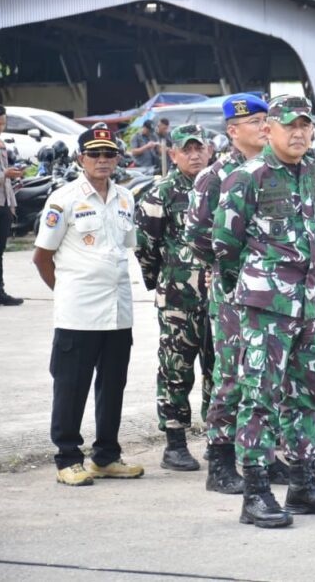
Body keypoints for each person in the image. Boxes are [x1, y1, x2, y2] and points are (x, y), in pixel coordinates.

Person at [214, 95, 315, 528]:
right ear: (268, 129)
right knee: (259, 398)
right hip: (265, 310)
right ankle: (255, 492)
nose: (298, 133)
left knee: (309, 395)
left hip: (311, 304)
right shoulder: (247, 176)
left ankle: (302, 482)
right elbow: (225, 247)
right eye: (288, 125)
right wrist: (258, 289)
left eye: (304, 125)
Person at [33, 126, 145, 486]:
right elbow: (41, 257)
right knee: (71, 385)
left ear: (117, 158)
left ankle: (106, 456)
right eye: (94, 154)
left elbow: (125, 246)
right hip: (78, 312)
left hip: (117, 310)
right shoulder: (63, 199)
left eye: (109, 154)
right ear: (81, 158)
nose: (102, 160)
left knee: (113, 384)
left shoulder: (126, 197)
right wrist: (65, 290)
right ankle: (67, 457)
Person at [185, 93, 268, 495]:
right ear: (233, 131)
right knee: (232, 374)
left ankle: (261, 457)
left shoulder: (273, 170)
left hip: (271, 294)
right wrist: (226, 273)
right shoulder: (215, 176)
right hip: (233, 292)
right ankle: (219, 462)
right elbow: (199, 237)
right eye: (255, 122)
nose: (264, 127)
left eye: (266, 120)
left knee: (265, 375)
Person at [135, 124, 216, 471]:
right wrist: (163, 283)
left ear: (210, 150)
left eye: (200, 148)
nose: (194, 154)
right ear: (173, 154)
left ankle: (219, 439)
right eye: (187, 149)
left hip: (219, 296)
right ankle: (175, 443)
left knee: (220, 368)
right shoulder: (161, 193)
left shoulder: (221, 186)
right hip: (178, 299)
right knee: (175, 369)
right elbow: (146, 247)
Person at [0, 104, 25, 306]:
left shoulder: (1, 144)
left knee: (0, 251)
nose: (0, 126)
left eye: (3, 123)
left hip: (3, 202)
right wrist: (4, 174)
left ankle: (0, 292)